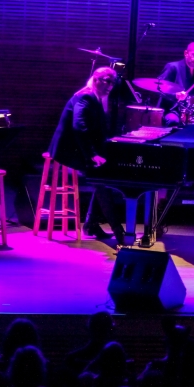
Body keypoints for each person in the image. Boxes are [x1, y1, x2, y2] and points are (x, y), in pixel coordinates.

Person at [47, 66, 126, 249]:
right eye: (107, 81)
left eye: (113, 83)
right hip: (69, 151)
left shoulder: (95, 96)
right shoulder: (86, 96)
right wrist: (92, 155)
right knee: (101, 179)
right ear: (96, 79)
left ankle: (91, 224)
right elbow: (79, 127)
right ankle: (120, 235)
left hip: (79, 148)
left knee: (103, 177)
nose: (110, 86)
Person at [157, 42, 194, 125]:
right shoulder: (172, 67)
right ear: (186, 53)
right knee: (173, 121)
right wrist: (176, 95)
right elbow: (159, 89)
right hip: (171, 110)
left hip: (190, 113)